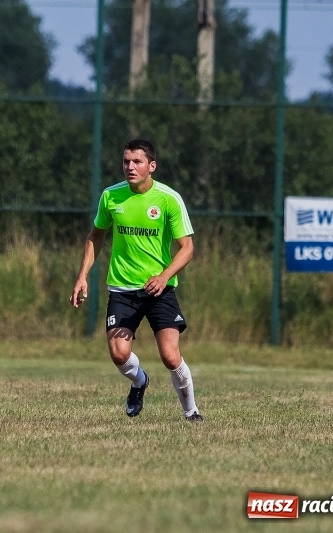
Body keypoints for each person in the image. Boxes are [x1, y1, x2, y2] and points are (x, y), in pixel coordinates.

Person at [70, 138, 203, 422]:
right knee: (119, 354)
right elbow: (95, 237)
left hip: (160, 290)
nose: (130, 167)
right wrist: (82, 276)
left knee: (170, 356)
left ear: (151, 166)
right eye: (126, 161)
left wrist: (164, 276)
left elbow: (187, 248)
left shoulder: (168, 198)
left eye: (137, 162)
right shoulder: (111, 196)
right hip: (122, 289)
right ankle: (140, 381)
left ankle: (191, 412)